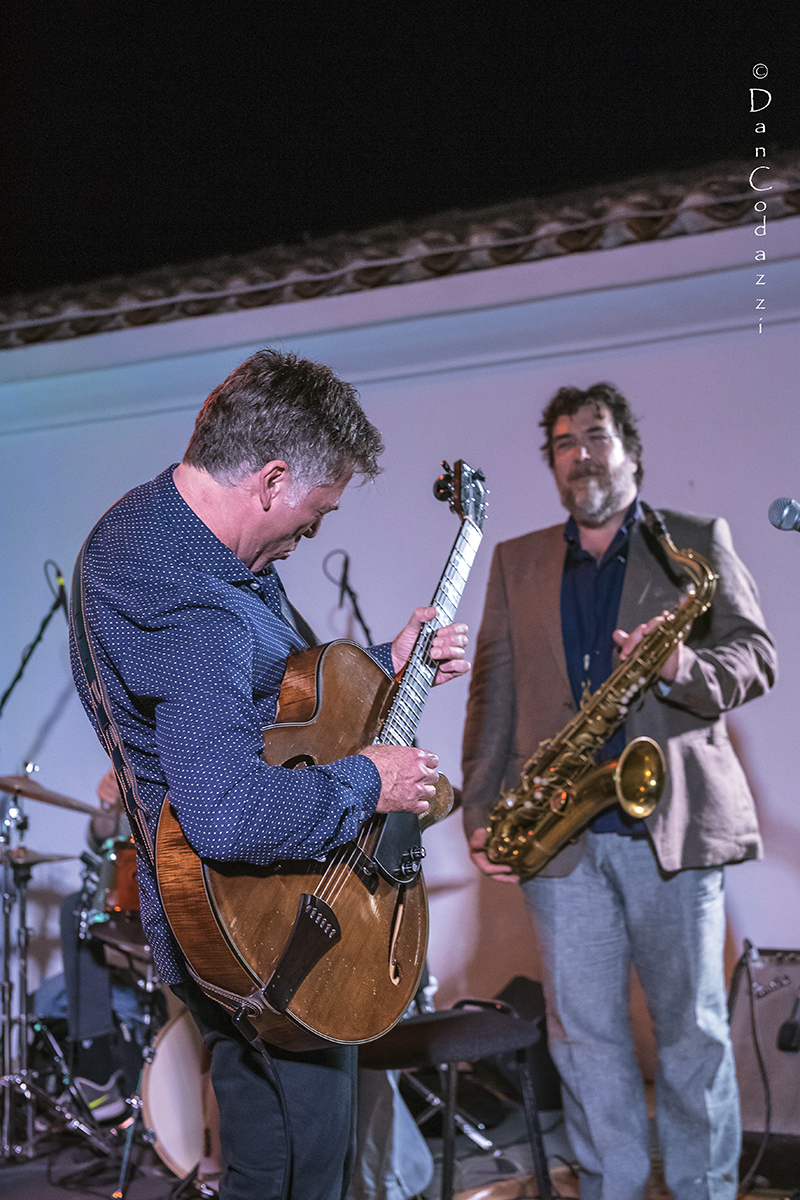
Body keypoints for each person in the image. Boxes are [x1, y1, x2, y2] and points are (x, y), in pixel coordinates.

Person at [69, 348, 469, 1200]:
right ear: (272, 478)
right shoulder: (194, 603)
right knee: (308, 1174)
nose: (304, 541)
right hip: (269, 923)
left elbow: (278, 703)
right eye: (312, 516)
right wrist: (371, 781)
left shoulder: (159, 527)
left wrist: (386, 670)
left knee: (263, 1165)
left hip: (221, 928)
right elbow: (229, 815)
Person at [461, 383, 776, 1200]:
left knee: (691, 1034)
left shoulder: (697, 545)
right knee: (583, 1037)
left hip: (672, 826)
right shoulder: (518, 559)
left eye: (595, 435)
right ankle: (612, 1188)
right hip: (561, 839)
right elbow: (490, 694)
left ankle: (703, 1189)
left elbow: (757, 657)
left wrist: (683, 668)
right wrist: (481, 810)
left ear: (630, 448)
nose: (580, 453)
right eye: (563, 442)